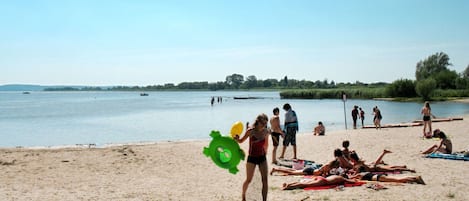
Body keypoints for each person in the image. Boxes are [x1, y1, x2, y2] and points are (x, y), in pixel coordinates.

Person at [234, 114, 270, 201]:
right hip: (252, 158)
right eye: (263, 123)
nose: (264, 125)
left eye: (266, 123)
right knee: (249, 180)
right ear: (258, 122)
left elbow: (266, 144)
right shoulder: (250, 131)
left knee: (265, 180)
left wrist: (266, 152)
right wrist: (237, 138)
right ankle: (243, 195)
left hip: (262, 157)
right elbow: (241, 141)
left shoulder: (266, 131)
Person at [349, 150, 415, 173]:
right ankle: (384, 153)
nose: (350, 159)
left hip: (374, 169)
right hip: (373, 167)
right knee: (391, 168)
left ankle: (409, 170)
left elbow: (358, 171)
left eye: (350, 158)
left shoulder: (358, 163)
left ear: (353, 158)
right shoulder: (356, 163)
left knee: (392, 170)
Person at [282, 175, 357, 190]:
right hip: (324, 181)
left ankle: (289, 184)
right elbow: (350, 181)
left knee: (305, 182)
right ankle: (289, 187)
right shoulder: (342, 178)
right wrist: (355, 181)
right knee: (304, 184)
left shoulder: (336, 175)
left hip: (320, 177)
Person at [349, 171, 425, 185]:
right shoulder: (364, 173)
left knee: (399, 180)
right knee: (398, 179)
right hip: (378, 177)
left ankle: (416, 178)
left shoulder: (359, 174)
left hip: (378, 178)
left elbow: (352, 178)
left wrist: (351, 176)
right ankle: (414, 178)